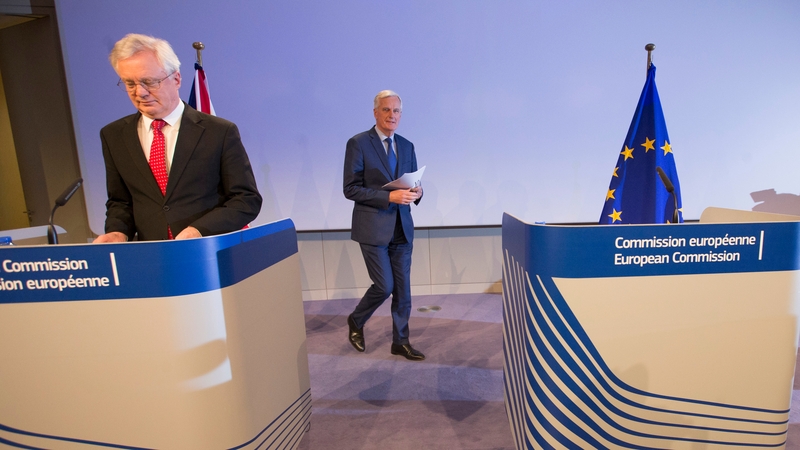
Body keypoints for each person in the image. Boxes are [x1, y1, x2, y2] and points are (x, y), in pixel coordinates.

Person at [93, 34, 261, 242]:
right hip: (153, 256)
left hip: (209, 251)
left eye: (149, 82)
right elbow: (121, 202)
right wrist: (118, 232)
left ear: (176, 79)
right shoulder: (114, 135)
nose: (140, 92)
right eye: (130, 84)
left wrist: (198, 231)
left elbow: (246, 200)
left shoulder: (218, 131)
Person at [343, 90, 425, 361]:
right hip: (373, 227)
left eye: (397, 111)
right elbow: (351, 189)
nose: (392, 115)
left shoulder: (407, 145)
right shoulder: (358, 143)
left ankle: (400, 341)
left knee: (403, 290)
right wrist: (388, 196)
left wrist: (418, 192)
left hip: (402, 227)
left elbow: (411, 184)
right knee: (384, 286)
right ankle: (356, 320)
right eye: (387, 110)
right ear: (376, 112)